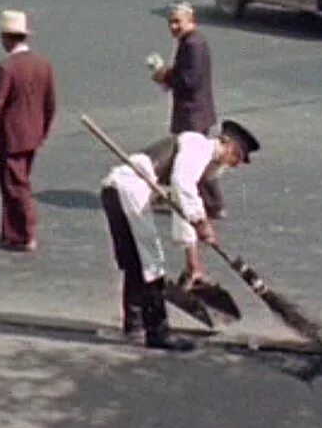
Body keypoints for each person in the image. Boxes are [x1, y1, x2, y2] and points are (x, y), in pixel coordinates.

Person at [98, 120, 259, 351]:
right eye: (237, 159)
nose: (233, 166)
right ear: (230, 147)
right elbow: (182, 184)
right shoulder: (198, 146)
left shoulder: (194, 158)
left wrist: (193, 261)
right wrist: (201, 221)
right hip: (129, 189)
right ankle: (158, 332)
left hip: (115, 190)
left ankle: (134, 327)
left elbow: (180, 205)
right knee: (151, 262)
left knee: (135, 262)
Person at [0, 11, 58, 252]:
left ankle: (24, 233)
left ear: (6, 38)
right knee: (18, 181)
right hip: (33, 135)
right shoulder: (43, 65)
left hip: (11, 136)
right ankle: (11, 231)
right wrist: (43, 130)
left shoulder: (6, 68)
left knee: (14, 186)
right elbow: (50, 103)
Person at [150, 2, 226, 222]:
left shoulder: (193, 44)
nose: (173, 27)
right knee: (193, 158)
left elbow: (189, 80)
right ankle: (206, 201)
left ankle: (212, 203)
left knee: (192, 159)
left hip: (193, 114)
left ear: (191, 20)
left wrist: (165, 76)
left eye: (177, 22)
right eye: (170, 22)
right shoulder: (191, 41)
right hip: (196, 111)